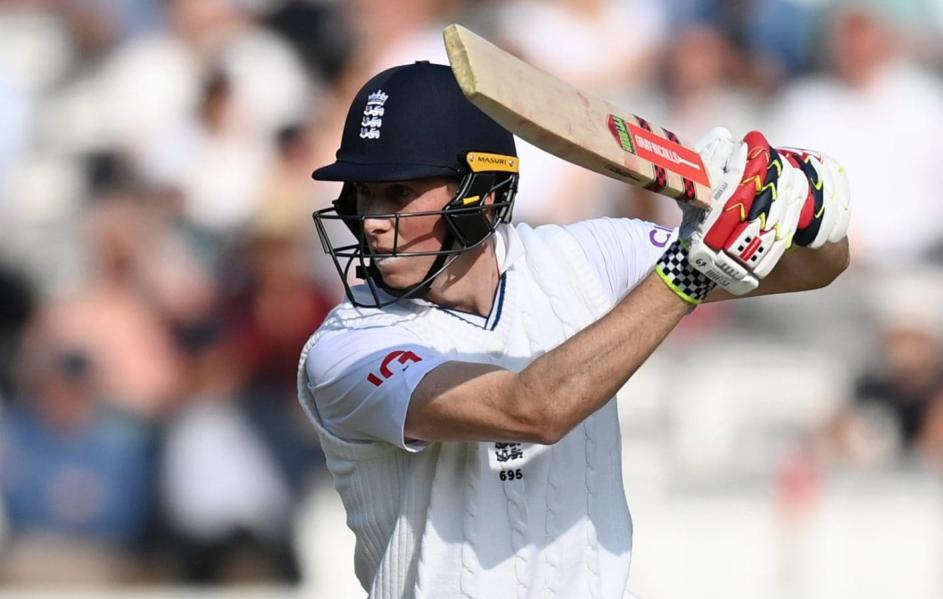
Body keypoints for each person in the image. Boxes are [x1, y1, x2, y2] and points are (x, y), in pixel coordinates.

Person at [298, 61, 850, 598]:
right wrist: (689, 271)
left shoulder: (585, 256)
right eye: (364, 193)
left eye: (399, 194)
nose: (371, 220)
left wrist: (802, 210)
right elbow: (531, 410)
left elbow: (816, 269)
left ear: (482, 195)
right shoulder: (345, 349)